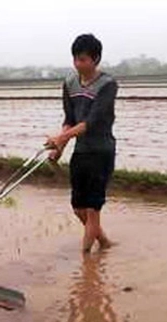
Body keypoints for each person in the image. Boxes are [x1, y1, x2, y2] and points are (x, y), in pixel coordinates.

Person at [47, 33, 118, 253]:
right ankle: (104, 243)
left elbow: (91, 122)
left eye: (83, 59)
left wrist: (61, 138)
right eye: (75, 59)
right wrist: (59, 146)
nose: (78, 64)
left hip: (101, 151)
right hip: (81, 152)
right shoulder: (69, 83)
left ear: (95, 59)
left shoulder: (107, 85)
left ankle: (87, 262)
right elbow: (70, 119)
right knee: (78, 208)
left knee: (93, 209)